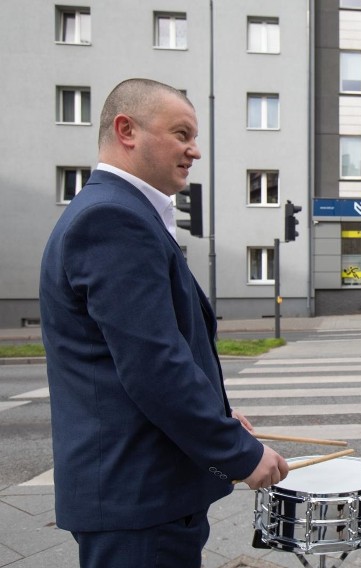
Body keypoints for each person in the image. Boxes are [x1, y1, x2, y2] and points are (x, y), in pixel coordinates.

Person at [39, 78, 289, 567]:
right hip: (137, 497)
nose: (194, 150)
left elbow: (147, 349)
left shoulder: (118, 212)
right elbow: (154, 364)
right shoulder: (113, 218)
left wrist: (219, 416)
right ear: (126, 130)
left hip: (138, 495)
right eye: (181, 134)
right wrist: (238, 453)